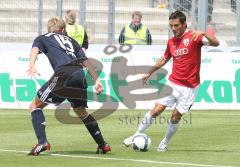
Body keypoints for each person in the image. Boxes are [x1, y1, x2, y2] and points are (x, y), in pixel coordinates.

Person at [123, 11, 219, 152]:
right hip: (173, 83)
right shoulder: (171, 42)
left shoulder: (194, 37)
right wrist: (149, 72)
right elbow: (164, 58)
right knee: (156, 110)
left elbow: (216, 43)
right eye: (171, 26)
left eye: (176, 25)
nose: (173, 29)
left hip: (190, 88)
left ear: (184, 24)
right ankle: (135, 135)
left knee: (175, 116)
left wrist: (203, 33)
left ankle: (164, 142)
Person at [26, 17, 111, 156]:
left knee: (34, 106)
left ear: (49, 29)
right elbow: (86, 61)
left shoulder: (42, 38)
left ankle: (42, 142)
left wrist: (31, 64)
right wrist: (97, 80)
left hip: (63, 75)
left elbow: (35, 49)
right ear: (63, 30)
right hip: (79, 75)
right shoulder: (72, 41)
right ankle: (103, 144)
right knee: (81, 112)